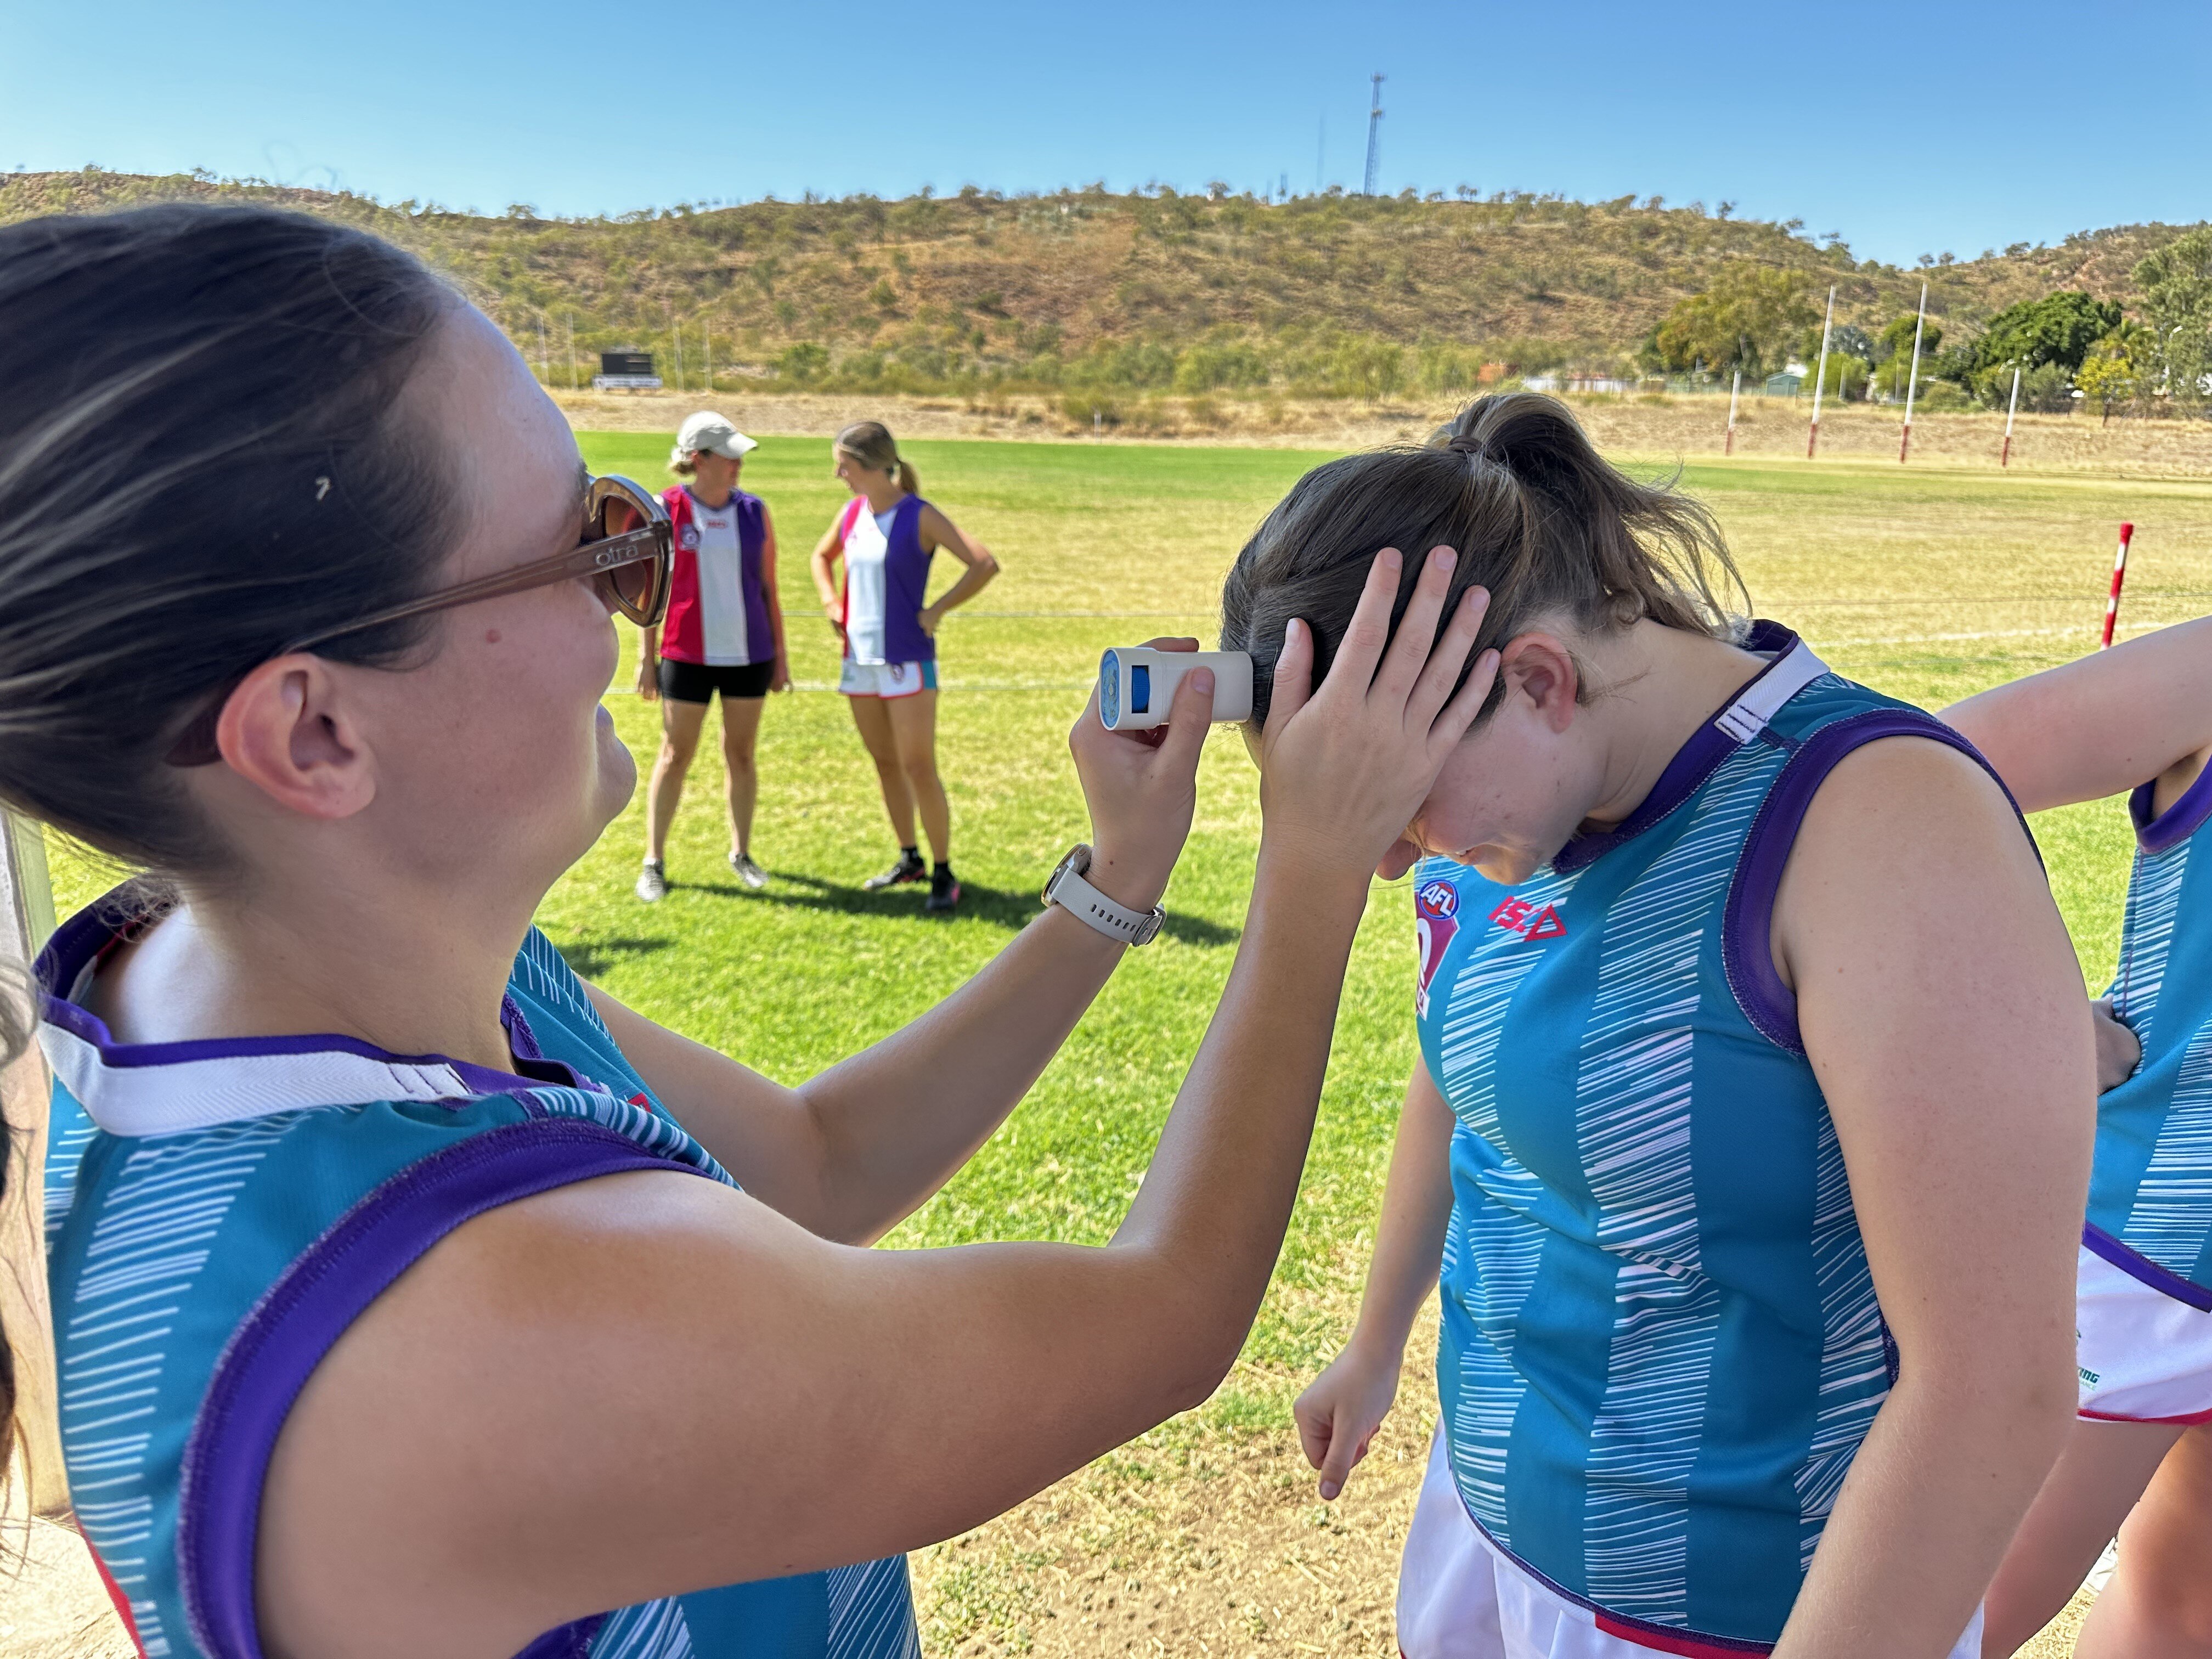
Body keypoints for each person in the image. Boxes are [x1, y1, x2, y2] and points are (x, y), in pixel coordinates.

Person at [0, 204, 1496, 1659]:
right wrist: (1312, 864)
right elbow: (1163, 1323)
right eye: (593, 544)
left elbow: (819, 1166)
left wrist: (1115, 880)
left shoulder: (274, 971)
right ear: (314, 734)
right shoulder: (480, 1331)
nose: (636, 605)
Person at [1227, 394, 2093, 1659]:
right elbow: (1459, 1081)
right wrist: (1374, 1345)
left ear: (1539, 680)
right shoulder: (1513, 804)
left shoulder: (1878, 824)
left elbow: (1995, 1391)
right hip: (1487, 1542)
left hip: (1737, 1611)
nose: (1381, 863)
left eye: (1396, 803)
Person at [1944, 621, 2212, 1657]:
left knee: (2184, 1605)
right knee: (1938, 1619)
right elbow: (1893, 783)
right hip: (2138, 1253)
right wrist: (2035, 1005)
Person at [808, 421, 997, 913]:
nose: (837, 474)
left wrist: (936, 610)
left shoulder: (919, 515)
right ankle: (908, 858)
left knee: (918, 766)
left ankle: (943, 870)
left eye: (842, 465)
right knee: (886, 764)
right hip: (858, 663)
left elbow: (983, 563)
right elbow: (820, 558)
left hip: (908, 661)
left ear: (867, 464)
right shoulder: (851, 514)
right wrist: (831, 602)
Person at [634, 411, 789, 902]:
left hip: (750, 656)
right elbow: (651, 591)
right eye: (730, 455)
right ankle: (654, 861)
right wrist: (646, 657)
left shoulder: (754, 511)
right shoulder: (667, 509)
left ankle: (742, 854)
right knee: (675, 756)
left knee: (740, 755)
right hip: (685, 654)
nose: (739, 463)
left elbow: (769, 587)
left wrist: (781, 657)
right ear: (699, 459)